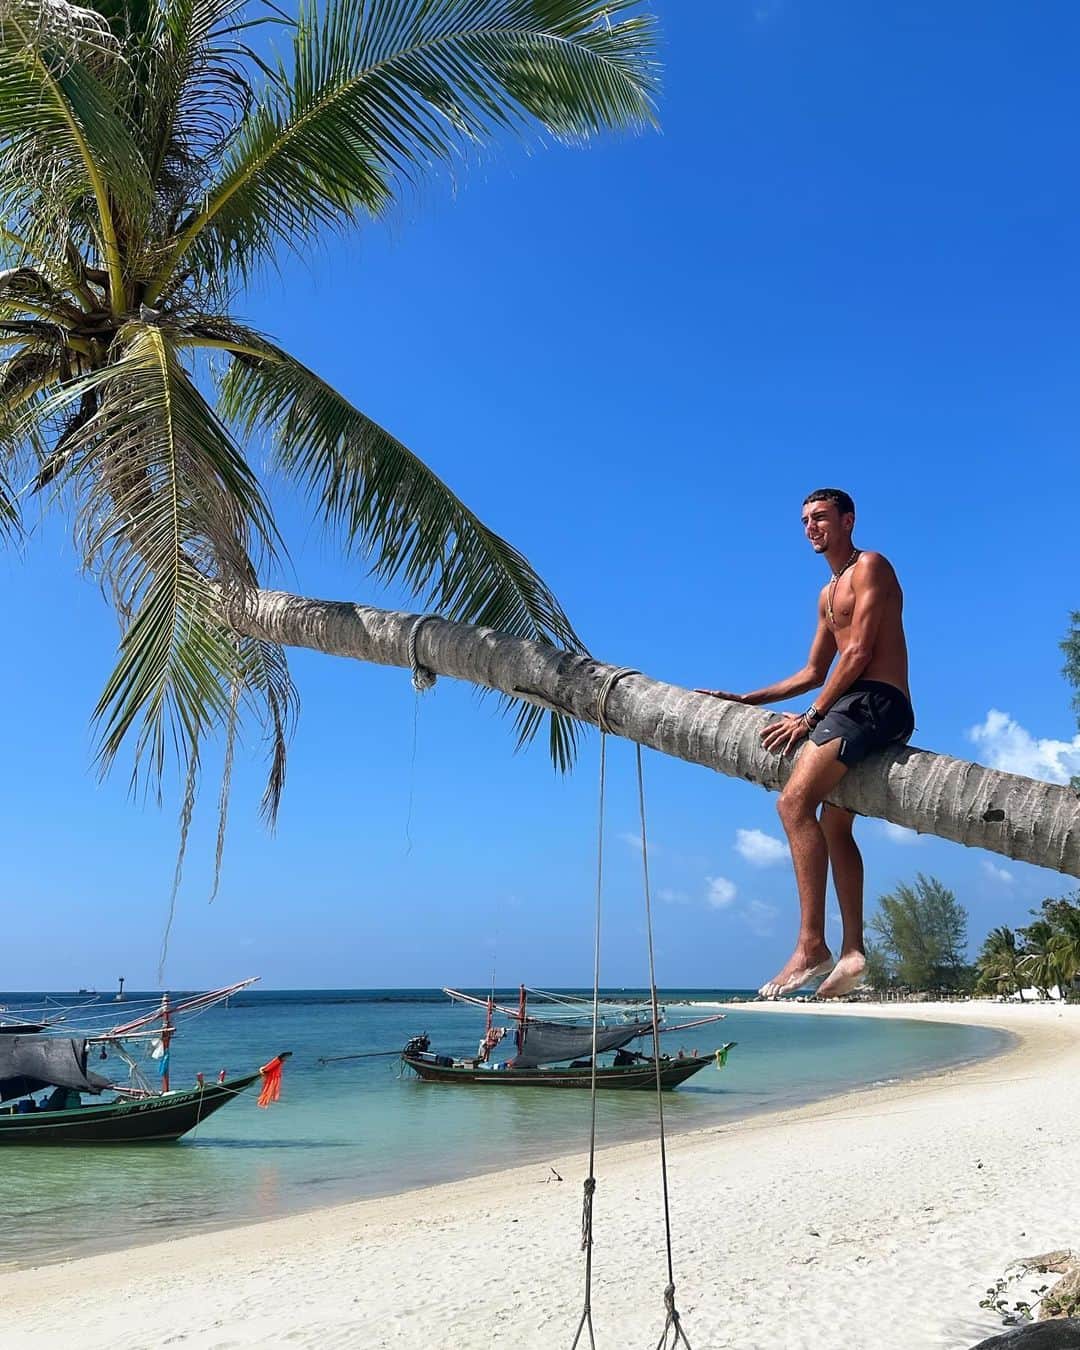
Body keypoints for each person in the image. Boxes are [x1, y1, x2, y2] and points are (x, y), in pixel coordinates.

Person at [698, 488, 914, 999]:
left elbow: (858, 653)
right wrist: (746, 697)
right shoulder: (827, 594)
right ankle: (853, 952)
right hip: (852, 705)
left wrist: (812, 716)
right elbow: (815, 670)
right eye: (804, 521)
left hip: (875, 702)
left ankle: (811, 944)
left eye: (820, 517)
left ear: (848, 520)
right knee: (835, 825)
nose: (811, 528)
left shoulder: (870, 567)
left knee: (793, 803)